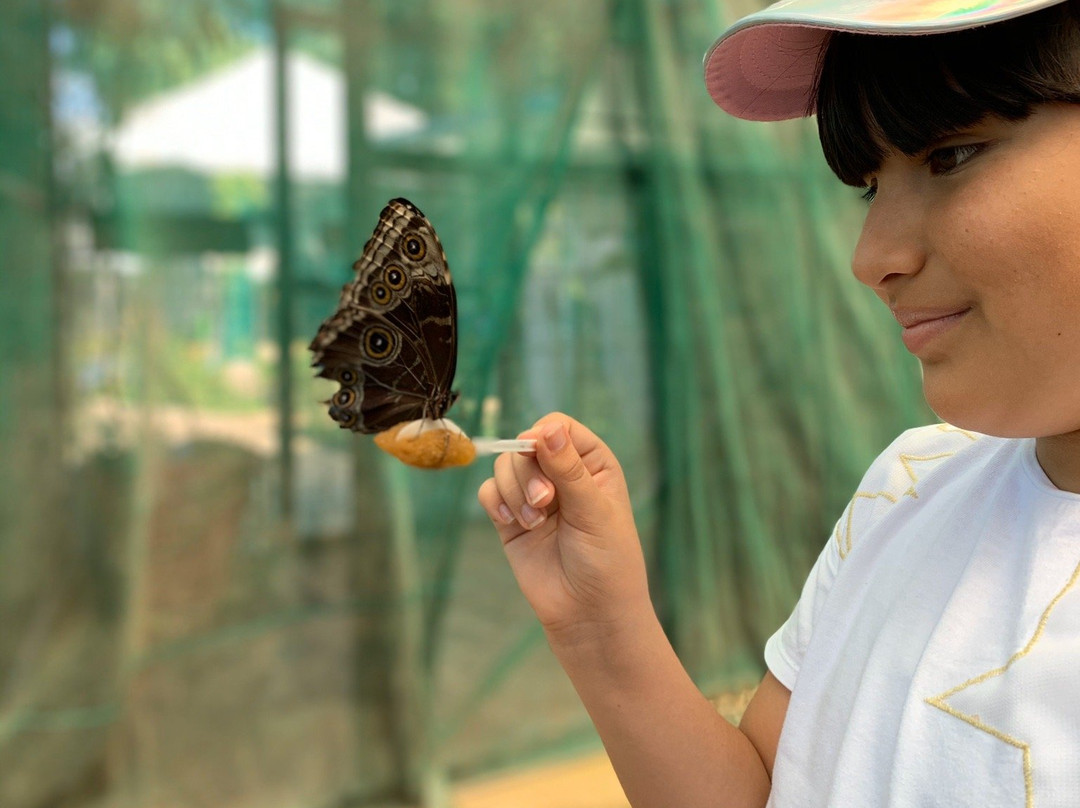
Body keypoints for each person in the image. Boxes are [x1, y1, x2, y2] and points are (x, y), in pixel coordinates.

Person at [477, 0, 1080, 804]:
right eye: (868, 188)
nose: (872, 259)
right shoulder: (908, 486)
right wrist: (599, 626)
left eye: (953, 153)